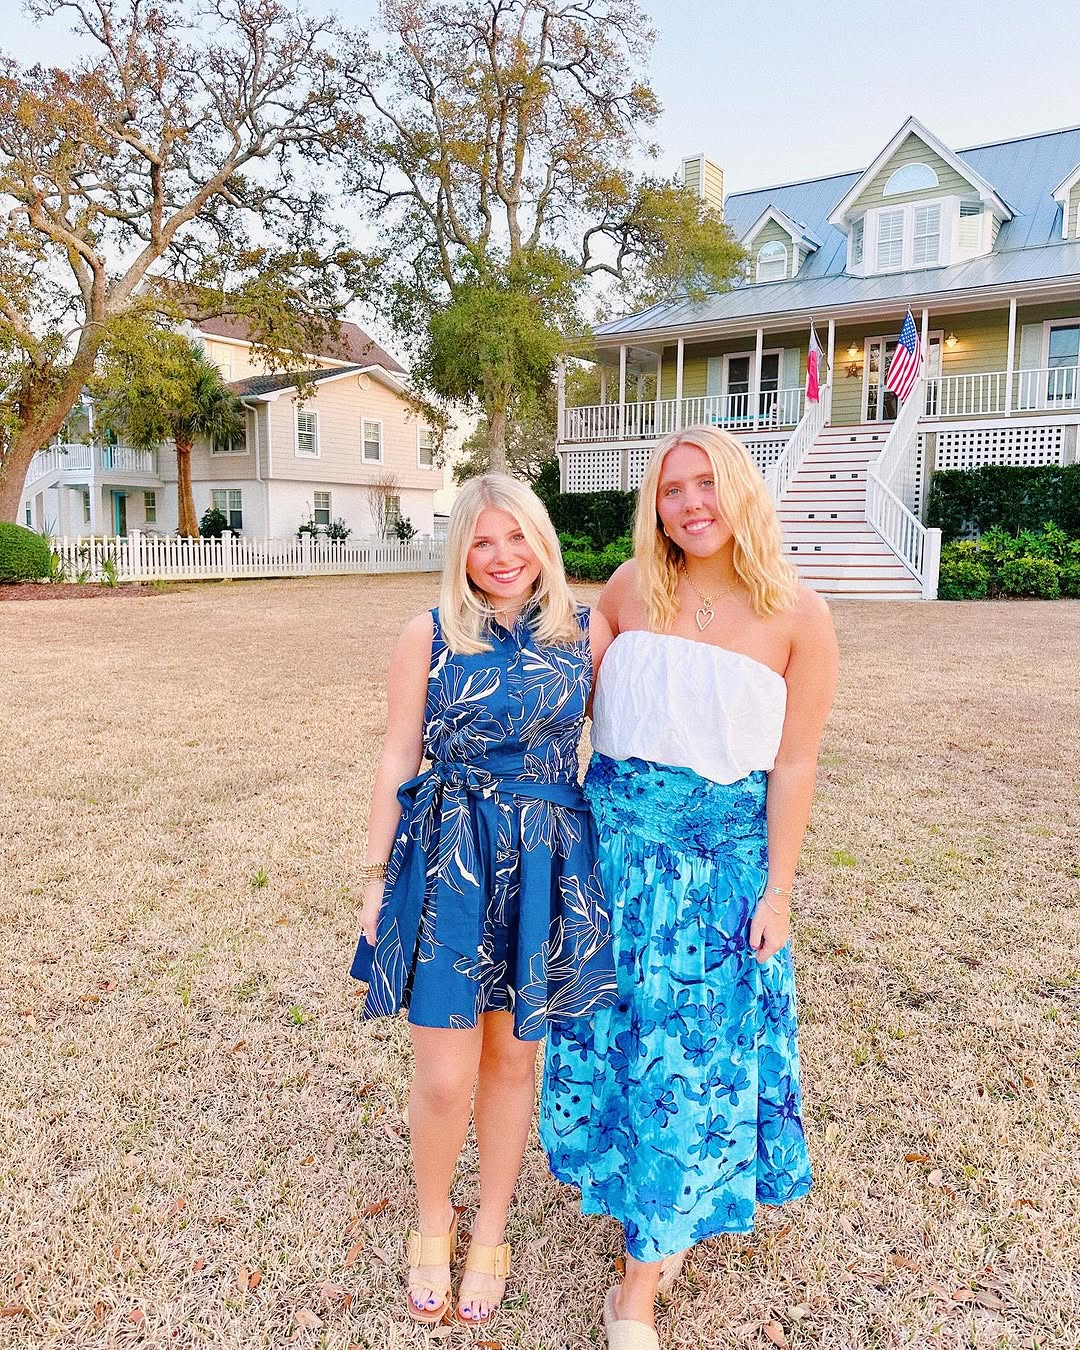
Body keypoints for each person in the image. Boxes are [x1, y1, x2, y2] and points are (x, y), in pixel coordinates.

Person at [539, 427, 838, 1349]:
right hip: (611, 860)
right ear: (655, 506)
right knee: (618, 1046)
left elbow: (794, 765)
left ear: (740, 489)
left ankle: (638, 1283)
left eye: (706, 483)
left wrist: (777, 891)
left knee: (688, 1065)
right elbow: (555, 693)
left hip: (716, 879)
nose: (691, 503)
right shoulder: (630, 589)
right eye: (672, 490)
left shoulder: (798, 615)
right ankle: (646, 1211)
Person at [351, 473, 616, 1328]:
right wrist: (375, 876)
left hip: (545, 860)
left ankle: (491, 1229)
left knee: (512, 1061)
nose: (502, 557)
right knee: (442, 1075)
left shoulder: (587, 634)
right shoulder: (427, 634)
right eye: (481, 541)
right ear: (459, 552)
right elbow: (398, 755)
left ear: (543, 542)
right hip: (452, 857)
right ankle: (434, 1221)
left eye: (517, 537)